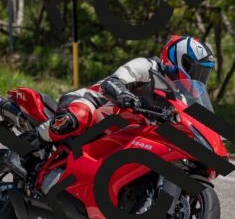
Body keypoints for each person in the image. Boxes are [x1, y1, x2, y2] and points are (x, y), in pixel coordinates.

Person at [36, 35, 215, 144]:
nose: (199, 78)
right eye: (196, 71)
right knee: (78, 116)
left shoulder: (180, 98)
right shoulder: (147, 67)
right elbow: (111, 83)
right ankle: (33, 140)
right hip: (95, 102)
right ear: (180, 60)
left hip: (126, 133)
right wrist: (125, 96)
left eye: (203, 74)